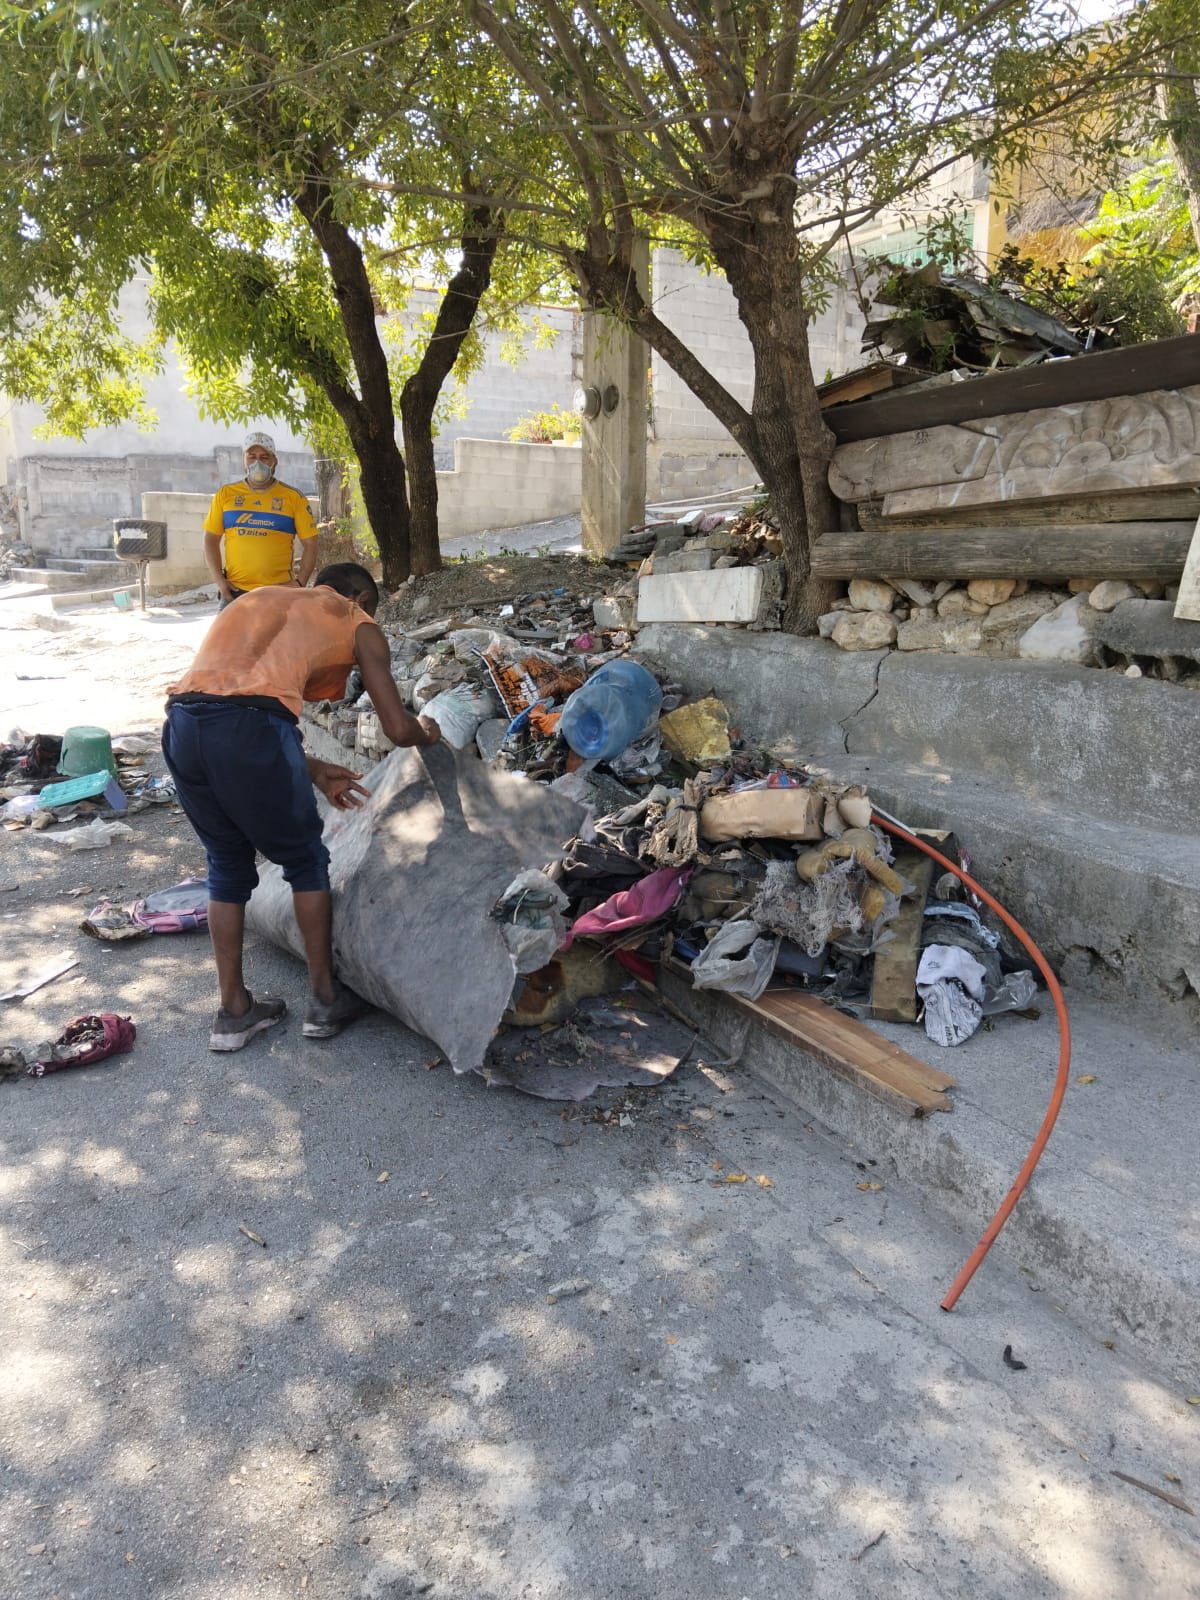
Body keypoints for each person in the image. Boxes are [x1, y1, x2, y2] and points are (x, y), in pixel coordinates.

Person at [162, 562, 442, 1051]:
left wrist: (311, 768)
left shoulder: (260, 599)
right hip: (250, 730)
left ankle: (234, 1012)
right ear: (362, 597)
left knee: (226, 864)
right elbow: (398, 730)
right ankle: (325, 998)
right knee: (306, 861)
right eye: (370, 607)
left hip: (183, 726)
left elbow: (231, 700)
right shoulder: (355, 618)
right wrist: (428, 731)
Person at [203, 431, 320, 608]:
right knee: (225, 637)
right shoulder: (225, 495)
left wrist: (300, 583)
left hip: (280, 594)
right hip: (235, 592)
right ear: (244, 460)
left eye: (264, 457)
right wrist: (219, 580)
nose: (258, 462)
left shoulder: (293, 498)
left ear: (275, 461)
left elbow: (311, 544)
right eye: (252, 457)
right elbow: (210, 539)